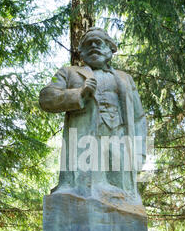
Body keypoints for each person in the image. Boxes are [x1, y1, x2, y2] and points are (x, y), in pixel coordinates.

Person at [39, 27, 146, 207]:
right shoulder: (69, 72)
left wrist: (140, 151)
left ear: (111, 48)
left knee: (124, 199)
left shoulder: (125, 79)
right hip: (85, 140)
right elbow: (46, 98)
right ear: (81, 52)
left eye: (99, 42)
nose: (94, 46)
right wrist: (79, 94)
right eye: (89, 43)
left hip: (119, 139)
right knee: (86, 195)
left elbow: (138, 117)